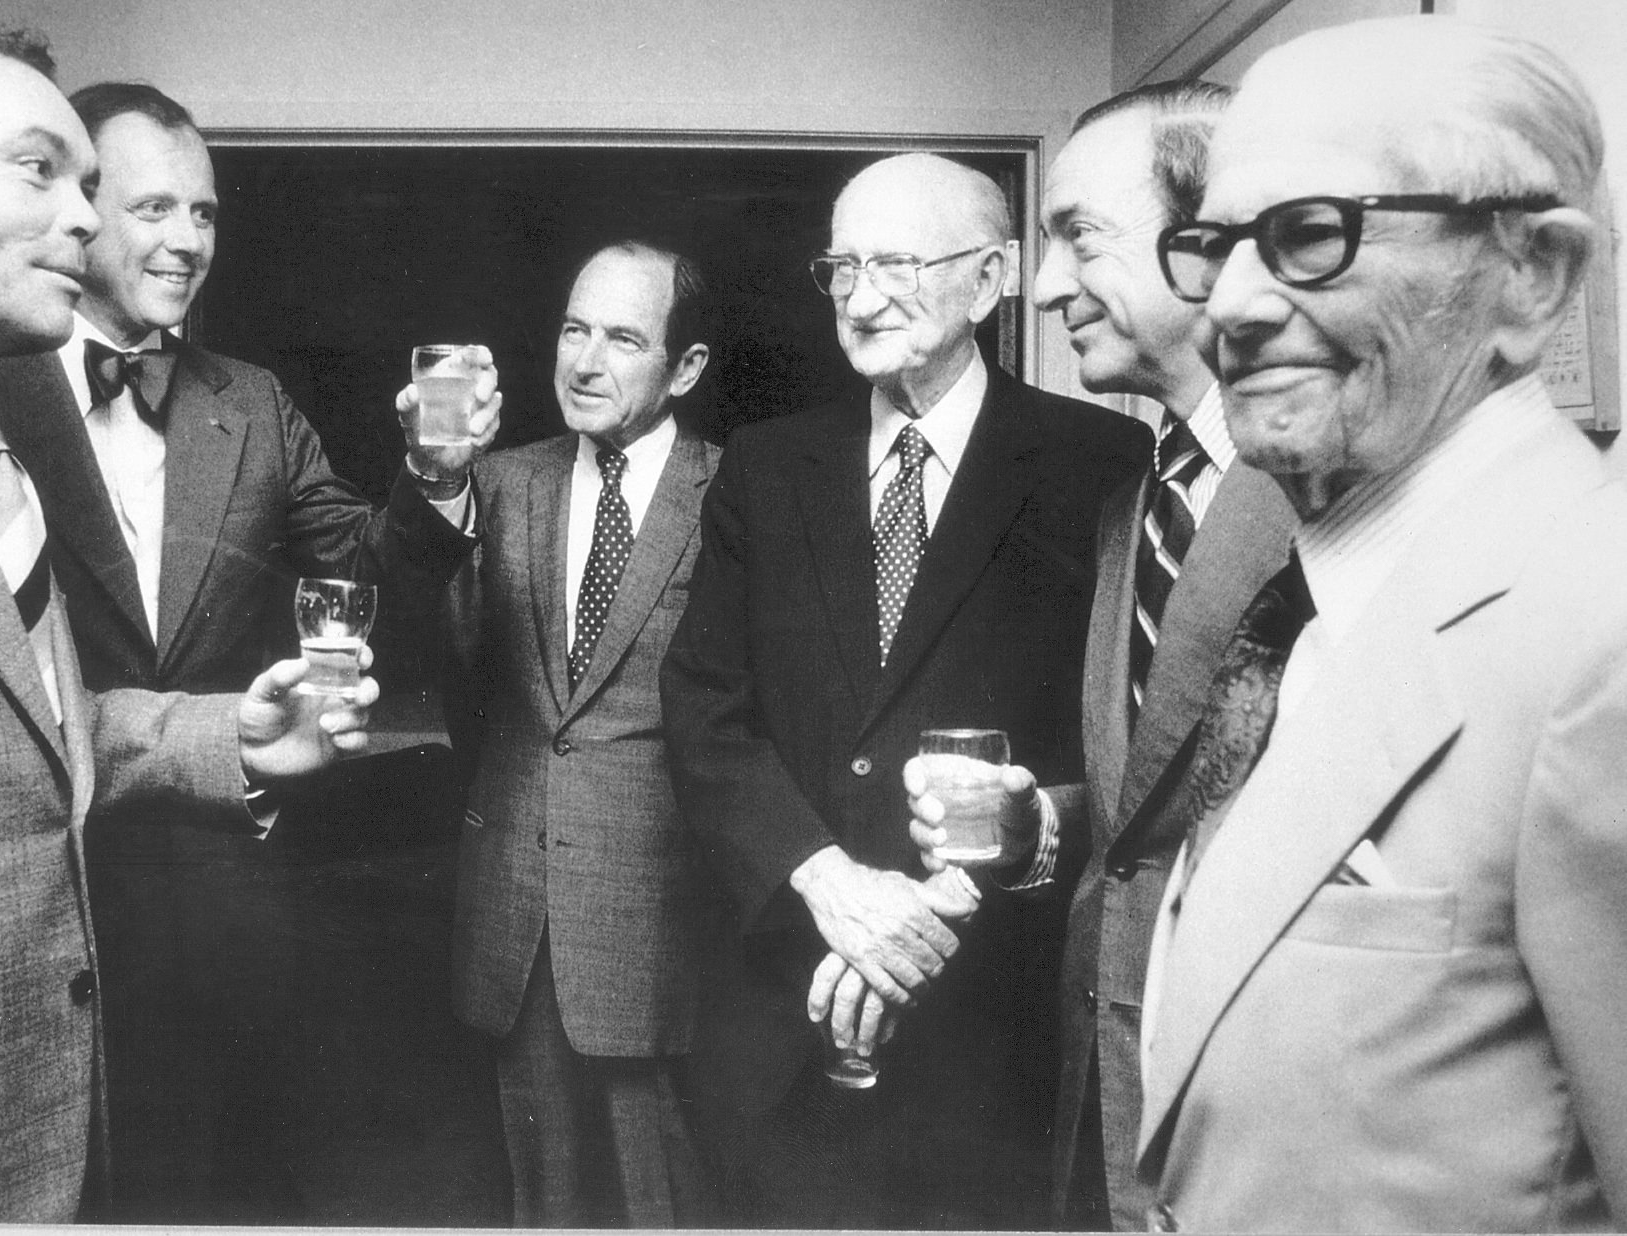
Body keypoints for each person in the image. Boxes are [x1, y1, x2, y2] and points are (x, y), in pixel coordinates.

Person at [0, 28, 374, 1221]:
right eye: (42, 170)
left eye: (90, 188)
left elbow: (31, 725)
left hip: (42, 1115)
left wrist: (232, 741)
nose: (92, 224)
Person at [1134, 16, 1627, 1230]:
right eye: (1215, 245)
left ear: (1533, 276)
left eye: (1311, 235)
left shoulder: (1600, 635)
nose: (1229, 310)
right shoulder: (1312, 599)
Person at [0, 81, 498, 1221]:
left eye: (204, 213)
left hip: (230, 905)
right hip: (38, 901)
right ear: (79, 208)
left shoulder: (251, 403)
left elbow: (365, 574)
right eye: (154, 207)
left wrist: (434, 476)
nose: (187, 242)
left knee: (229, 1195)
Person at [660, 151, 1150, 1228]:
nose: (861, 295)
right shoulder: (766, 463)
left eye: (896, 262)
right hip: (786, 1013)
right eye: (840, 264)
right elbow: (703, 703)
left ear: (990, 280)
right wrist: (831, 882)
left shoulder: (1101, 463)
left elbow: (1115, 740)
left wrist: (927, 921)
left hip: (992, 1027)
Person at [908, 82, 1296, 1230]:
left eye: (1079, 234)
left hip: (1256, 1140)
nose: (1042, 284)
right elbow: (1155, 813)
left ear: (1212, 238)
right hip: (1112, 1116)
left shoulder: (1327, 494)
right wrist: (1041, 824)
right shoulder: (1134, 495)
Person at [445, 240, 719, 1226]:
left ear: (683, 368)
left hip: (667, 924)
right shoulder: (499, 480)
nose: (586, 360)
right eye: (574, 328)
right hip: (517, 918)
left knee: (667, 1206)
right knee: (540, 1206)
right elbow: (446, 651)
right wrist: (439, 477)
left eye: (624, 337)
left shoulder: (735, 494)